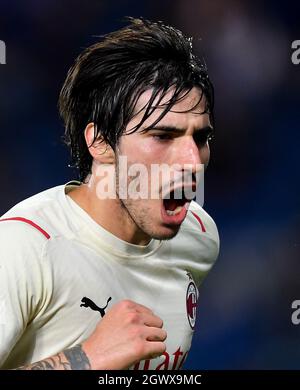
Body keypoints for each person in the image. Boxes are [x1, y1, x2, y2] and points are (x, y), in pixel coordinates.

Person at [0, 17, 219, 370]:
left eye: (200, 138)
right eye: (162, 136)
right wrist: (86, 359)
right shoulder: (22, 249)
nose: (193, 161)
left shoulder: (199, 236)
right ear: (100, 142)